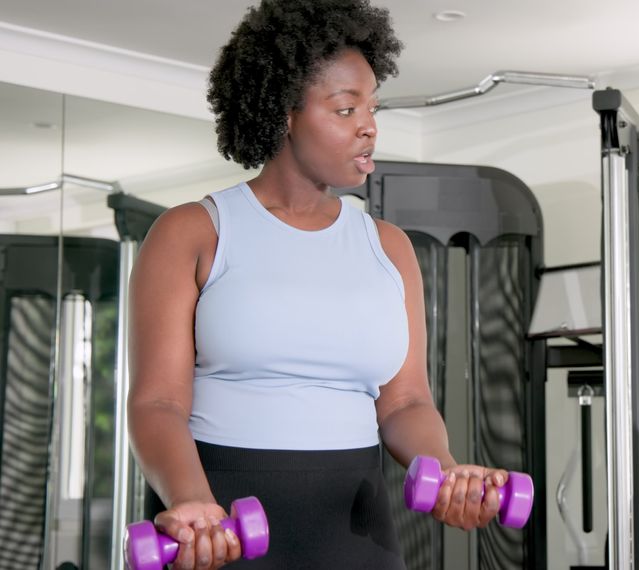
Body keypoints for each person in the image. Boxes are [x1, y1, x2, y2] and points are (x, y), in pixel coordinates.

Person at [127, 1, 509, 568]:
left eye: (372, 107)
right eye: (345, 108)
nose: (369, 126)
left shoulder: (389, 246)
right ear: (284, 113)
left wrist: (446, 469)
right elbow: (157, 402)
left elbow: (404, 400)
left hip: (357, 517)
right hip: (221, 514)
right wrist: (193, 501)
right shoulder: (193, 231)